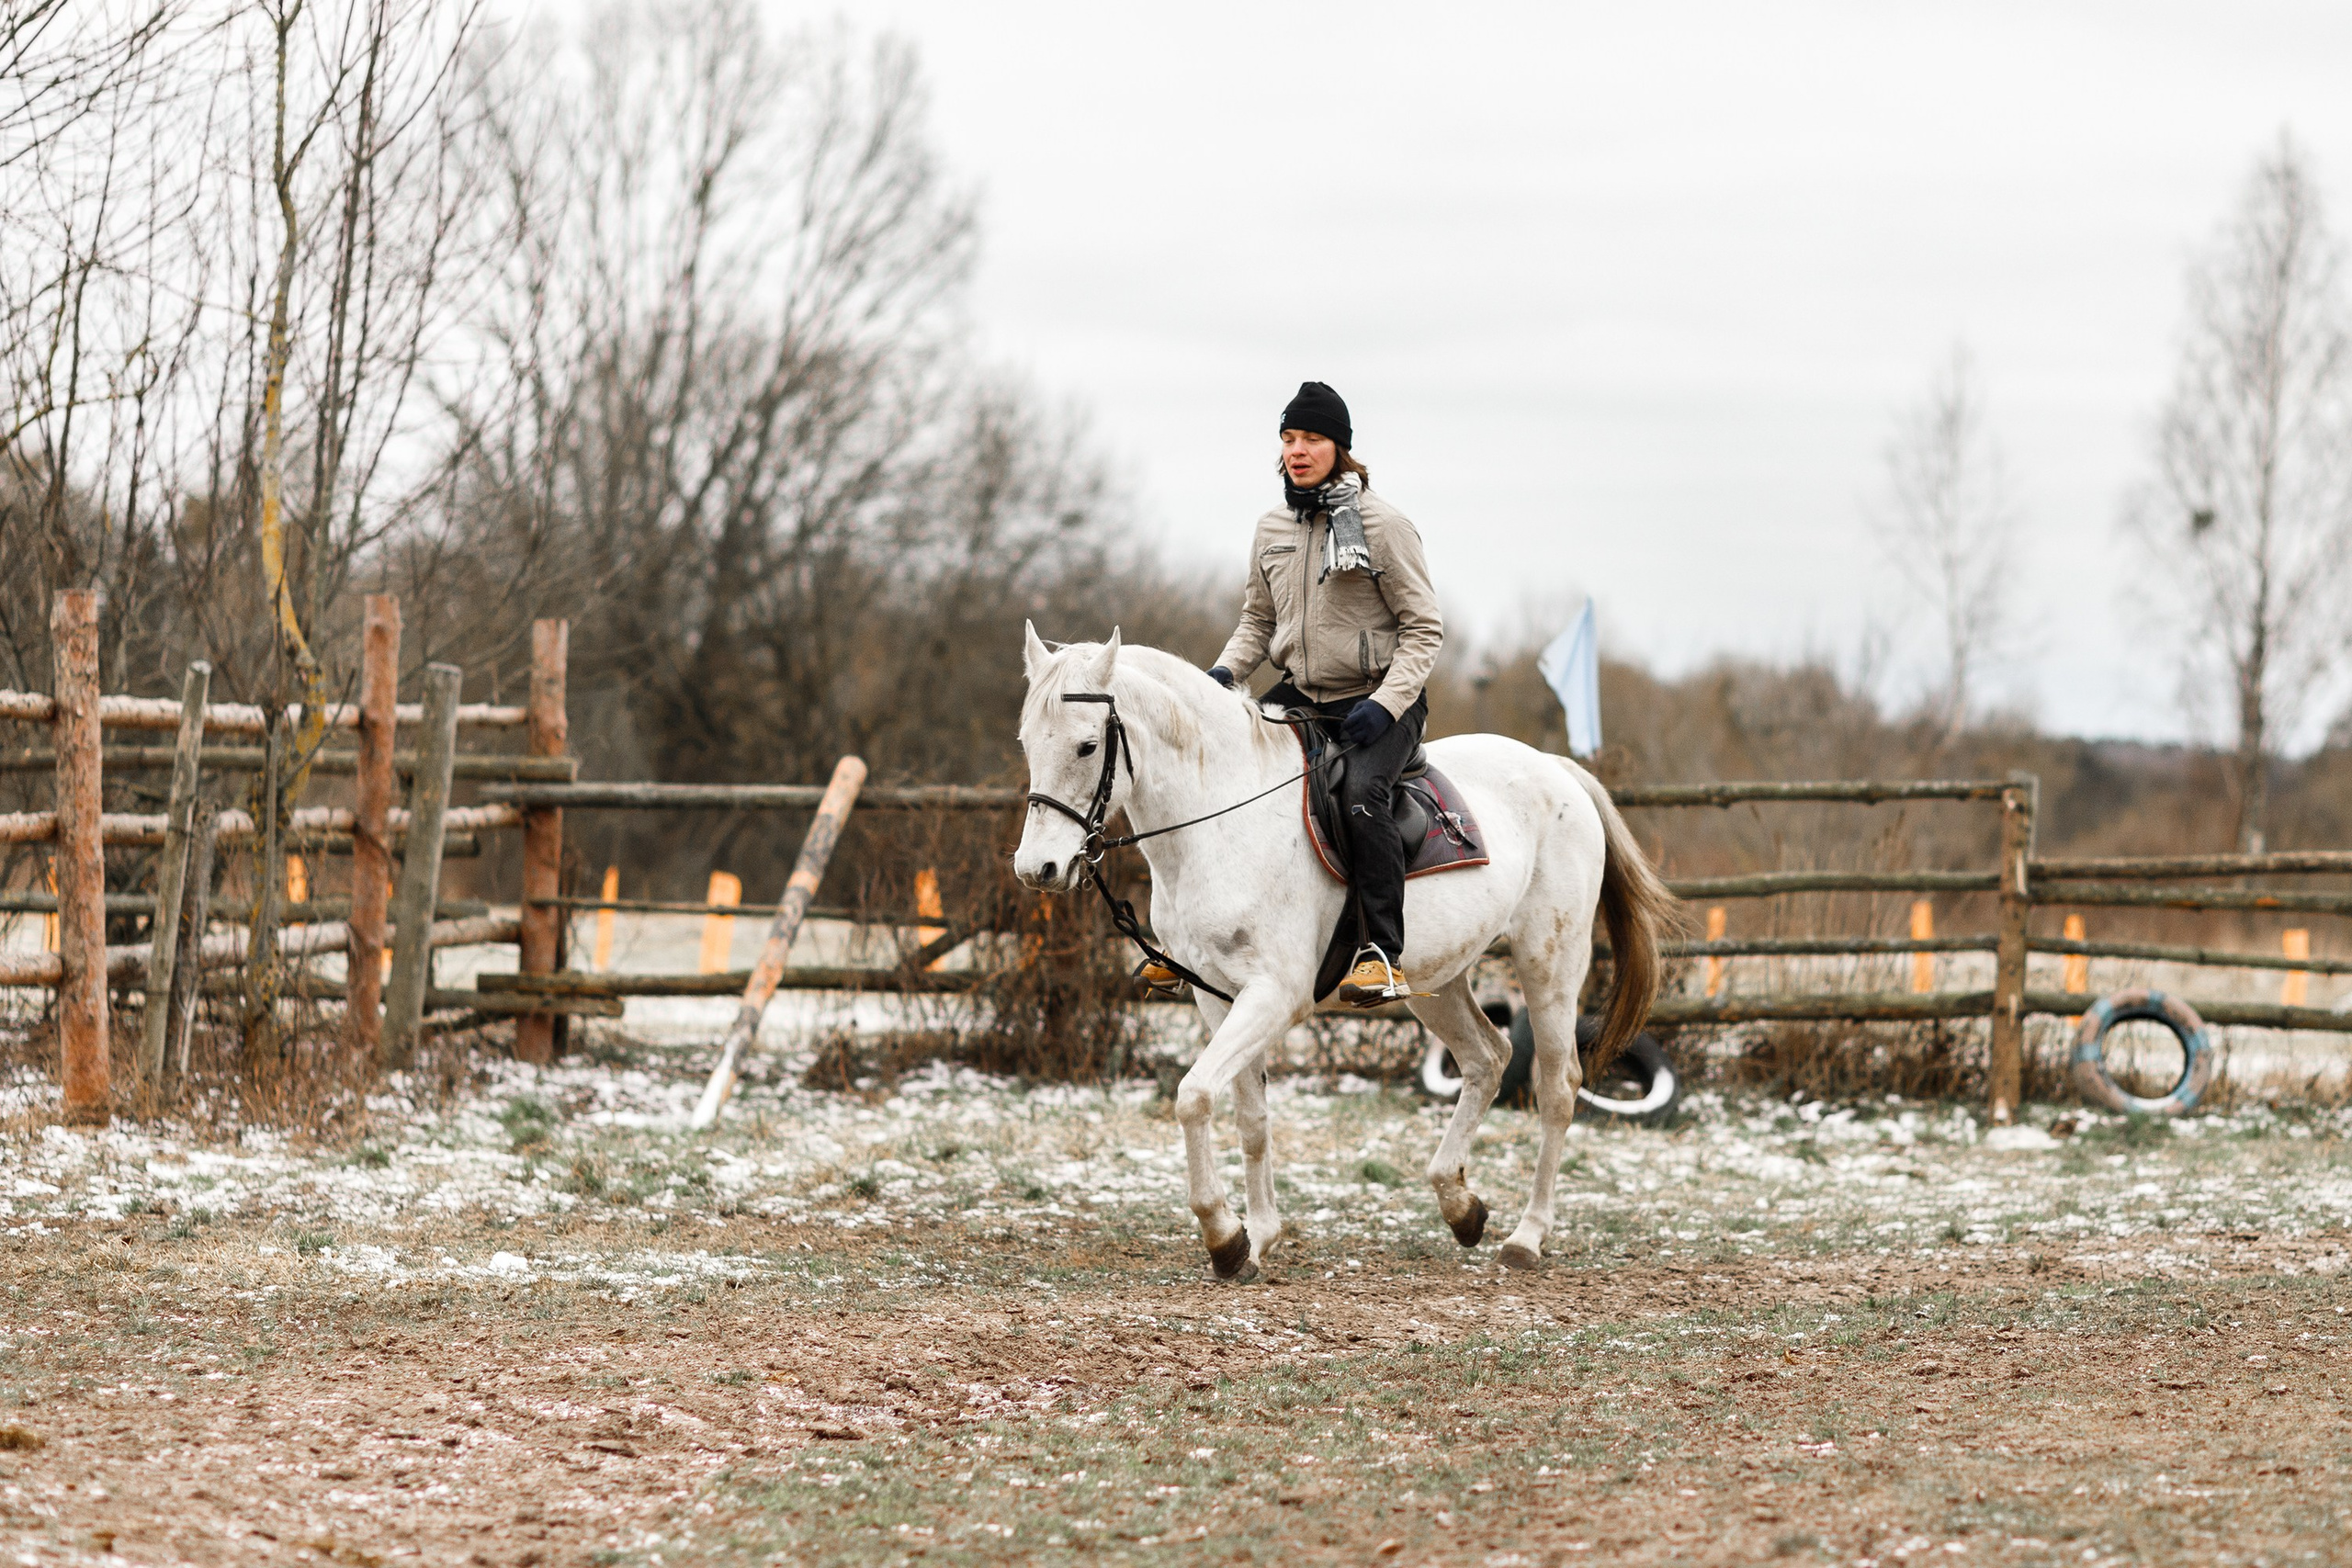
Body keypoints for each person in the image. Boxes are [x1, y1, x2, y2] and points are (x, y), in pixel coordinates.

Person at [1203, 380, 1445, 1007]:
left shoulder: (1385, 525)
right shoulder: (1271, 528)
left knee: (1362, 794)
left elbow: (1424, 629)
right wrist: (1225, 676)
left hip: (1378, 699)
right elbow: (1258, 621)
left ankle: (1379, 952)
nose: (1298, 450)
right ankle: (1202, 938)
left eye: (1311, 438)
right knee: (1221, 775)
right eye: (1288, 438)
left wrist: (1386, 705)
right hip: (1302, 694)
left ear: (1340, 447)